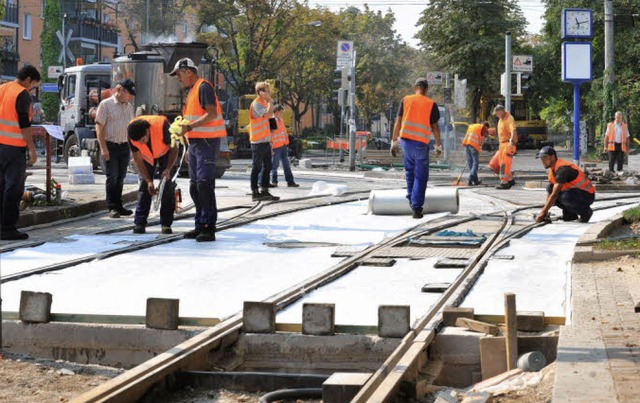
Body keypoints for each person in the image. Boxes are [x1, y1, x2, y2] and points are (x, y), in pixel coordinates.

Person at [170, 57, 227, 242]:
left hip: (207, 143)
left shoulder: (203, 87)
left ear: (189, 71)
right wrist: (188, 146)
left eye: (179, 74)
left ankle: (208, 227)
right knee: (195, 187)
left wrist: (190, 127)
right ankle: (200, 225)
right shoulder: (193, 91)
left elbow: (212, 113)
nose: (178, 78)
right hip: (196, 144)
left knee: (204, 184)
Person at [390, 77, 442, 219]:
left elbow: (398, 122)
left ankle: (411, 197)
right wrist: (438, 145)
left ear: (415, 88)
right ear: (426, 89)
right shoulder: (431, 103)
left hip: (405, 142)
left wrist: (394, 142)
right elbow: (435, 127)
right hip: (420, 144)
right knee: (421, 176)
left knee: (409, 171)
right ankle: (417, 208)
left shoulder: (405, 100)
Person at [0, 65, 41, 240]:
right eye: (33, 85)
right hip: (13, 148)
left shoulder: (2, 88)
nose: (31, 89)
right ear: (28, 79)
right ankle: (8, 228)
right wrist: (32, 149)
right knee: (14, 188)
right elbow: (24, 124)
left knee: (1, 187)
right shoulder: (22, 94)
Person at [127, 116, 178, 235]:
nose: (140, 143)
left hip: (166, 152)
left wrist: (168, 169)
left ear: (147, 131)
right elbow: (137, 159)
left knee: (168, 186)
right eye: (138, 141)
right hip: (147, 156)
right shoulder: (132, 133)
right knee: (144, 186)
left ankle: (166, 224)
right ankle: (139, 222)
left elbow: (174, 149)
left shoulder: (162, 126)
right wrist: (148, 180)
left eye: (142, 139)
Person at [96, 79, 136, 218]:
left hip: (124, 146)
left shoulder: (129, 107)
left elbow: (131, 128)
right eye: (128, 93)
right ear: (121, 91)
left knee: (121, 177)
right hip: (110, 145)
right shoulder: (105, 105)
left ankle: (119, 205)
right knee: (112, 176)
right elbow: (99, 127)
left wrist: (133, 149)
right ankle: (111, 206)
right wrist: (103, 148)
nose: (130, 96)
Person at [535, 146, 595, 224]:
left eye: (545, 158)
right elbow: (551, 191)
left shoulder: (562, 170)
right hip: (574, 193)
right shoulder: (552, 170)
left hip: (587, 195)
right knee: (550, 188)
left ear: (553, 157)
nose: (543, 161)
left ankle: (586, 212)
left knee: (564, 197)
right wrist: (545, 212)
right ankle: (570, 214)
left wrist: (543, 212)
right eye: (541, 159)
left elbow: (554, 194)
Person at [249, 81, 279, 201]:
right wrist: (271, 103)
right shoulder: (256, 104)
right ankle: (255, 192)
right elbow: (266, 115)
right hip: (257, 141)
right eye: (267, 91)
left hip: (265, 141)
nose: (269, 93)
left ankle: (264, 190)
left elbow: (271, 121)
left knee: (268, 166)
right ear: (260, 92)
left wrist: (271, 140)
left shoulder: (265, 104)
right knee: (256, 167)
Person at [488, 104, 517, 189]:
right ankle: (510, 180)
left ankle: (504, 183)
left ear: (501, 111)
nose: (496, 116)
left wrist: (511, 141)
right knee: (497, 164)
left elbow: (513, 130)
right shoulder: (501, 119)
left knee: (504, 164)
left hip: (508, 144)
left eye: (496, 113)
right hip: (502, 144)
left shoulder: (509, 119)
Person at [269, 104, 299, 188]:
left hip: (283, 146)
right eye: (281, 112)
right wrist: (271, 146)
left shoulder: (280, 120)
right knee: (274, 165)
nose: (282, 113)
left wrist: (286, 143)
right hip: (276, 146)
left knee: (286, 164)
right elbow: (271, 134)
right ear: (277, 112)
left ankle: (290, 181)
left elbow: (284, 132)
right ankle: (274, 181)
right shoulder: (272, 120)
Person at [462, 122, 489, 186]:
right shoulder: (483, 127)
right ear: (486, 126)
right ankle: (470, 177)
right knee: (475, 163)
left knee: (470, 163)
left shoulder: (472, 126)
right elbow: (484, 137)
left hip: (467, 144)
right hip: (473, 146)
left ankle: (474, 180)